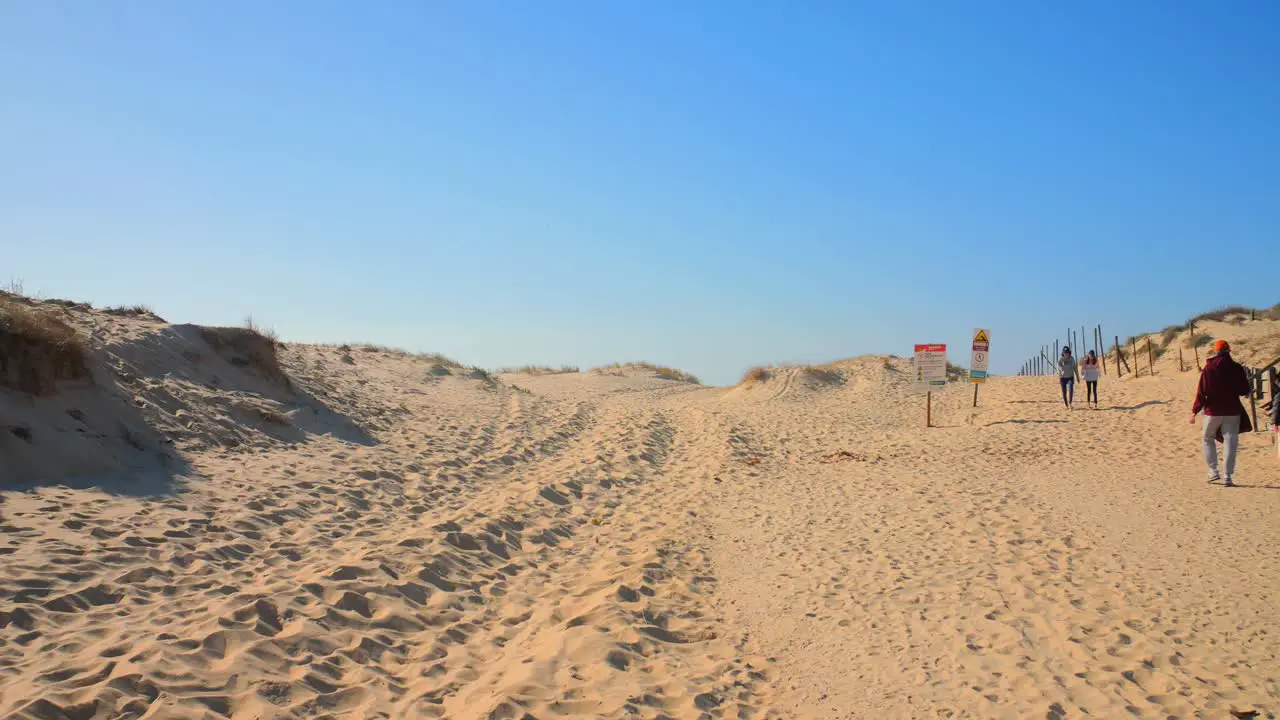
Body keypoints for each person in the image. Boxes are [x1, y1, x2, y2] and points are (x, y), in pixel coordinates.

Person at [1191, 339, 1251, 487]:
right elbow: (1244, 390)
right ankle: (1228, 477)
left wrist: (1195, 411)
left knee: (1207, 438)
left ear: (1216, 352)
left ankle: (1213, 471)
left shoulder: (1208, 368)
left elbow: (1201, 391)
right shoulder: (1237, 368)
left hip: (1212, 411)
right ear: (1228, 351)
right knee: (1230, 442)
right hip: (1232, 410)